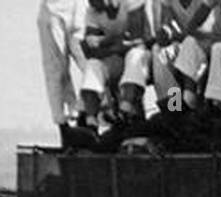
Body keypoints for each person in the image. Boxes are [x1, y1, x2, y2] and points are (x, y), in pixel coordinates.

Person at [78, 0, 151, 128]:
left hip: (150, 56)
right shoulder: (93, 11)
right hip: (118, 58)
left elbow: (137, 39)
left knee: (142, 57)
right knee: (93, 65)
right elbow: (91, 49)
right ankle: (91, 122)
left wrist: (104, 42)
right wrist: (116, 45)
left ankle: (175, 111)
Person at [40, 0, 86, 131]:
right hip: (52, 12)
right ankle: (64, 128)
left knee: (93, 66)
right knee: (56, 70)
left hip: (81, 9)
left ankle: (84, 114)